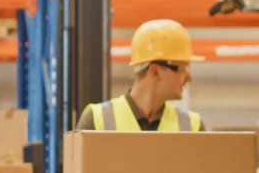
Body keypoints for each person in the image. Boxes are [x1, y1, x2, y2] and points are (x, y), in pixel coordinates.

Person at [77, 19, 209, 132]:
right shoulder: (96, 120)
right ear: (155, 71)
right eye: (182, 69)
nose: (188, 78)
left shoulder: (193, 127)